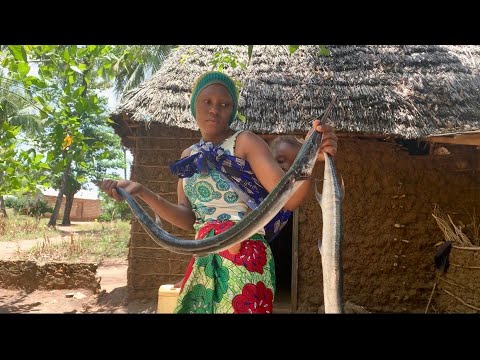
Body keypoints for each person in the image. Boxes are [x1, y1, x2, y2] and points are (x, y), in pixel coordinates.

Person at [98, 71, 338, 314]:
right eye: (207, 102)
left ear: (232, 110)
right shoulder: (188, 157)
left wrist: (310, 157)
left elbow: (289, 199)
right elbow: (188, 218)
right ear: (194, 106)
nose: (215, 109)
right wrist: (141, 192)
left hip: (244, 254)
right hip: (204, 255)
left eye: (224, 104)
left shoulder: (244, 142)